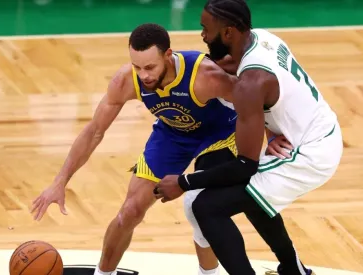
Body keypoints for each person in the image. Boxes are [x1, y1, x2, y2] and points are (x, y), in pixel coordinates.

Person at [30, 23, 289, 275]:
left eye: (150, 67)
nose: (144, 75)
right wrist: (60, 181)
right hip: (173, 135)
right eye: (137, 66)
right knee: (129, 211)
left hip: (220, 135)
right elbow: (94, 131)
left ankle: (208, 272)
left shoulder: (205, 76)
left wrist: (272, 133)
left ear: (168, 55)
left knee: (197, 206)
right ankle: (103, 273)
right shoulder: (127, 81)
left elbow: (253, 98)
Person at [155, 0, 344, 274]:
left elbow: (245, 165)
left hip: (308, 154)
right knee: (249, 190)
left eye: (206, 29)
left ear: (229, 33)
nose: (203, 36)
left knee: (205, 207)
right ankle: (293, 269)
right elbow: (227, 62)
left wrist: (183, 182)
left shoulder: (251, 83)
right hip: (317, 129)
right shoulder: (262, 38)